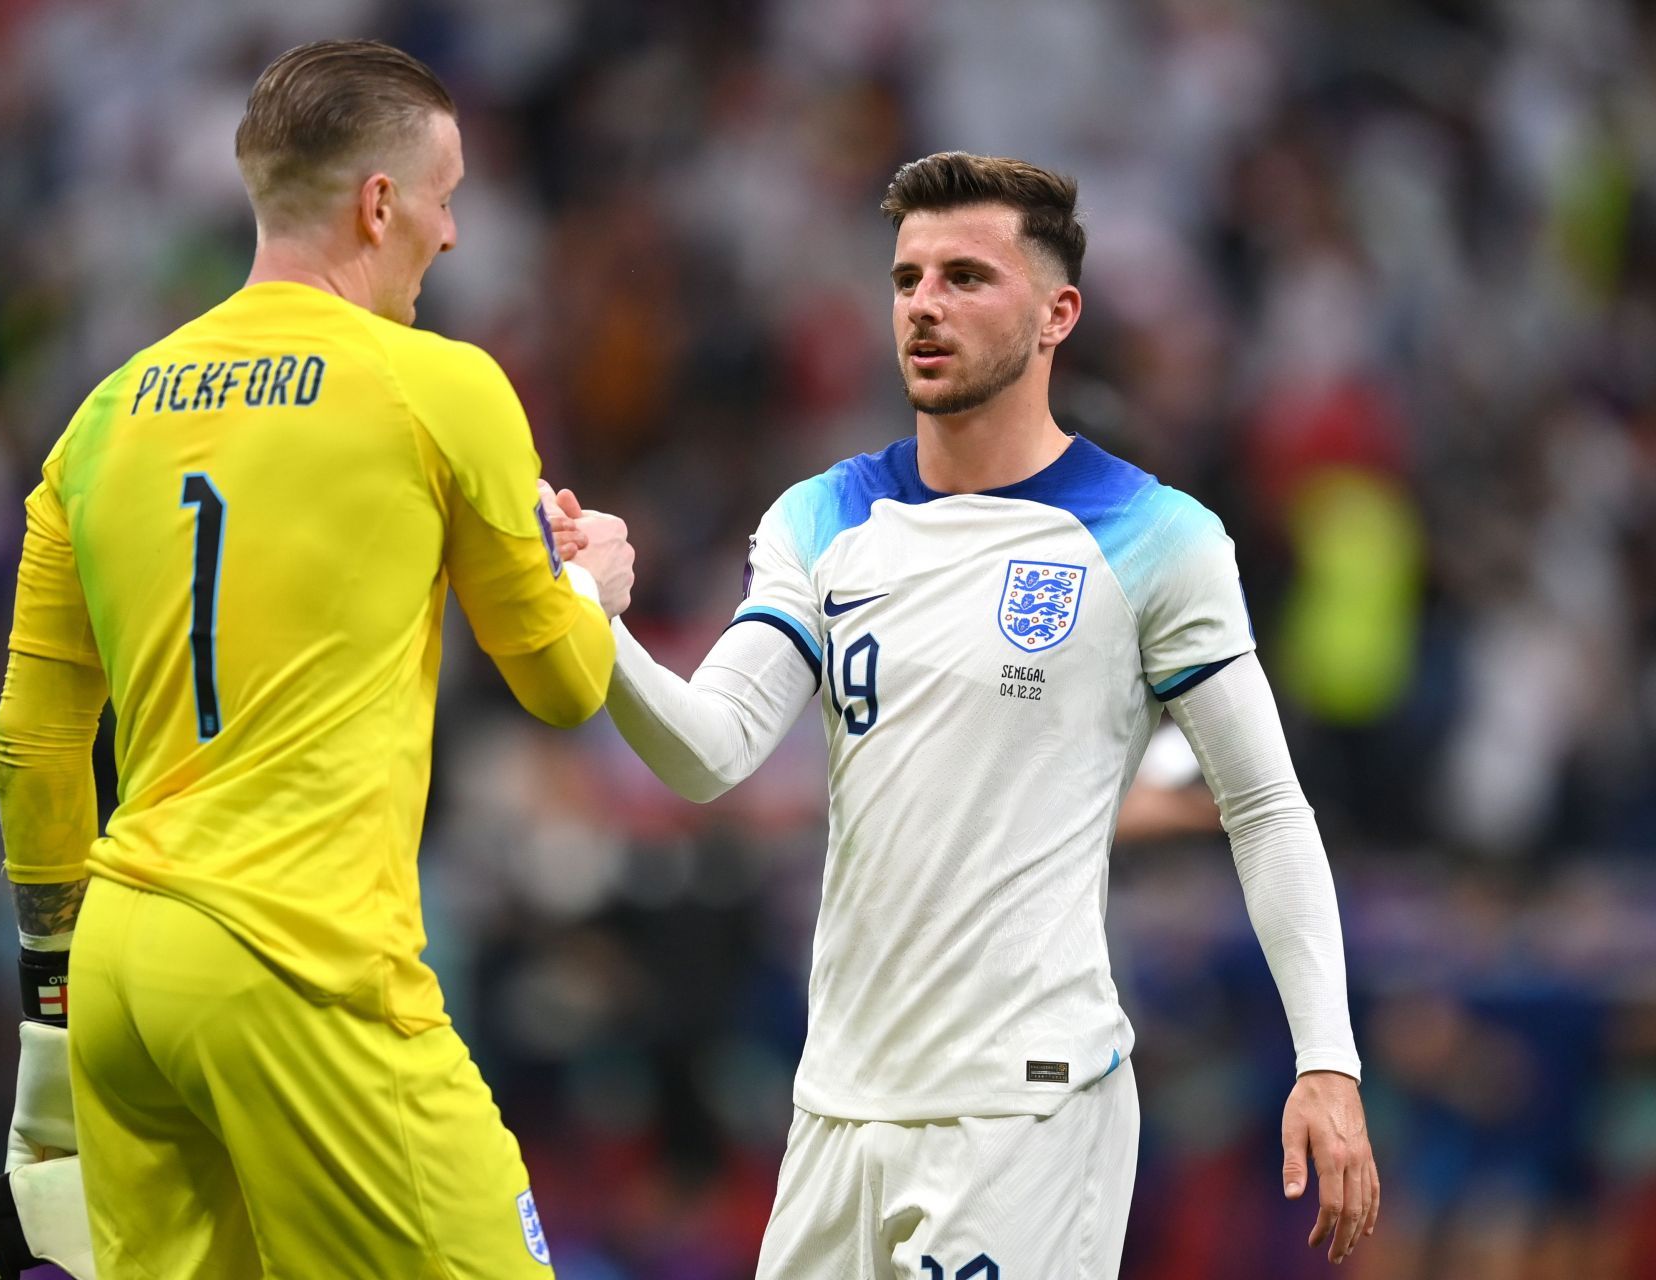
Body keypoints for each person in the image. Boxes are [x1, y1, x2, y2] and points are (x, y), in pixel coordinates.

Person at [555, 152, 1379, 1278]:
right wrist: (590, 618)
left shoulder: (1157, 536)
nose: (925, 305)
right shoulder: (823, 514)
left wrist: (1325, 1058)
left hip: (1025, 1107)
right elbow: (710, 753)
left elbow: (1267, 806)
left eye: (965, 276)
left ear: (1057, 314)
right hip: (838, 1105)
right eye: (907, 279)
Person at [0, 39, 632, 1280]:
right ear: (381, 203)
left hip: (122, 974)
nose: (454, 233)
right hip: (301, 961)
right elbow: (564, 682)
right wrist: (591, 581)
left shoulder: (101, 414)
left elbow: (34, 741)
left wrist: (54, 998)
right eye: (448, 194)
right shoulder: (439, 386)